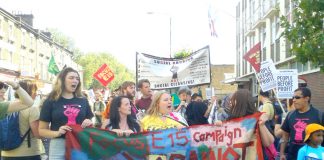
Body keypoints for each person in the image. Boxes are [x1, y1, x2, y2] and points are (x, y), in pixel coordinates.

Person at [38, 67, 93, 160]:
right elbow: (41, 130)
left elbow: (91, 123)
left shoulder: (83, 100)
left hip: (80, 143)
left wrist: (89, 121)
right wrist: (57, 133)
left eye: (77, 78)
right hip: (58, 145)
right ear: (62, 80)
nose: (75, 80)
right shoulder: (50, 101)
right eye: (71, 78)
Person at [2, 80, 44, 160]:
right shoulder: (32, 108)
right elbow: (38, 134)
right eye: (35, 90)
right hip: (28, 153)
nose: (36, 93)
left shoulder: (6, 107)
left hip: (5, 154)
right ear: (28, 91)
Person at [280, 87, 324, 160]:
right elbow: (285, 136)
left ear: (306, 98)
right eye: (293, 97)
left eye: (297, 97)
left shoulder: (319, 115)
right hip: (292, 156)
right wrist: (282, 154)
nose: (293, 100)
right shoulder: (290, 115)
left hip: (313, 156)